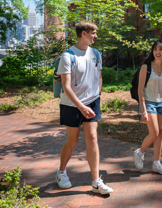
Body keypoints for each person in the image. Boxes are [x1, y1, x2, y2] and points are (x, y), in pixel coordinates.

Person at [55, 20, 113, 194]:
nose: (96, 36)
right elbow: (66, 87)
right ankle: (61, 172)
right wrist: (81, 106)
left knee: (93, 138)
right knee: (72, 141)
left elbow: (99, 76)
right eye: (93, 33)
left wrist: (97, 95)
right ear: (84, 34)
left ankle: (96, 181)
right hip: (71, 104)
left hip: (92, 101)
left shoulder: (96, 53)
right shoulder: (68, 56)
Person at [133, 40, 162, 174]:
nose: (157, 52)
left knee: (160, 134)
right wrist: (143, 110)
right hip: (148, 102)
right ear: (152, 51)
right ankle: (140, 152)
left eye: (160, 49)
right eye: (155, 49)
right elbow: (140, 89)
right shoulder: (145, 67)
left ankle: (157, 163)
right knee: (154, 133)